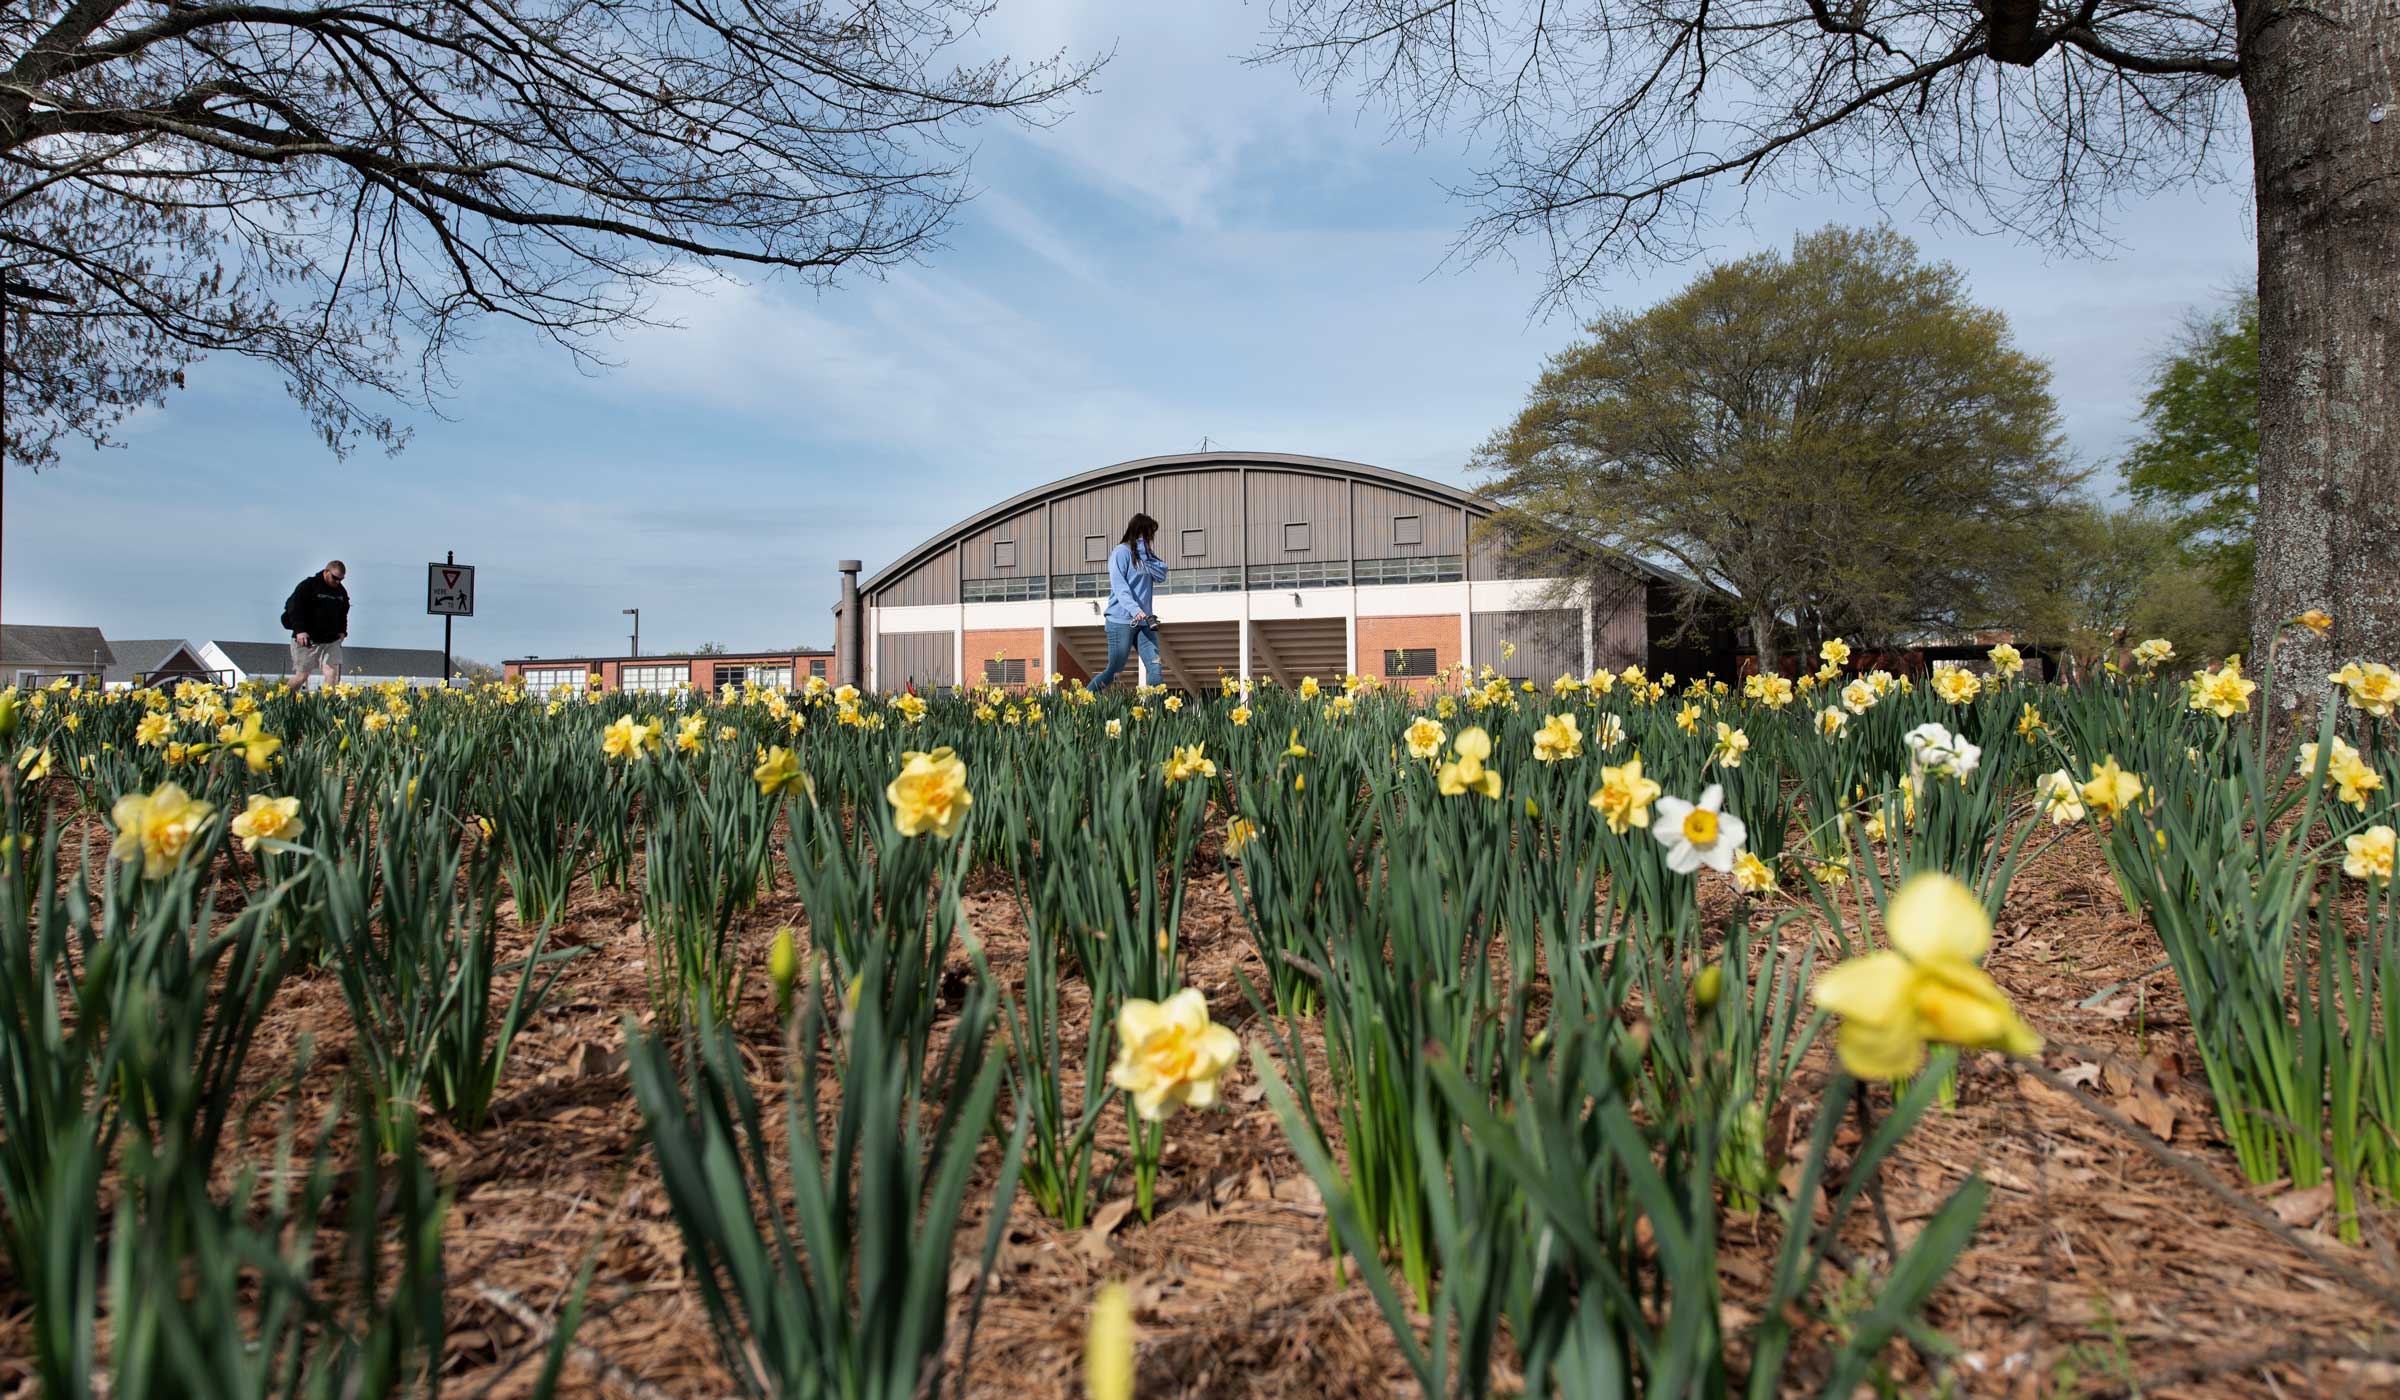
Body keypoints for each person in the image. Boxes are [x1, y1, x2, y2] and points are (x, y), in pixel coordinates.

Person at [1090, 513, 1168, 689]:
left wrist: (1144, 554)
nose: (1150, 538)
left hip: (1145, 622)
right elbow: (1119, 587)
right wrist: (1135, 610)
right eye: (1148, 533)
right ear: (1138, 531)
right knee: (1114, 669)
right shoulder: (1120, 553)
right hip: (1121, 620)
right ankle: (1083, 701)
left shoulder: (1146, 557)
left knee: (1155, 669)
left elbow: (1161, 574)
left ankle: (1156, 713)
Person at [281, 559, 350, 690]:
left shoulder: (341, 592)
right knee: (302, 675)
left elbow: (343, 613)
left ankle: (329, 706)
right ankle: (284, 698)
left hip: (331, 640)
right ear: (326, 572)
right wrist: (300, 630)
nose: (338, 582)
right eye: (335, 578)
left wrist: (342, 631)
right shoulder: (308, 586)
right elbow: (293, 608)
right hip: (308, 639)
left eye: (341, 579)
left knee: (332, 673)